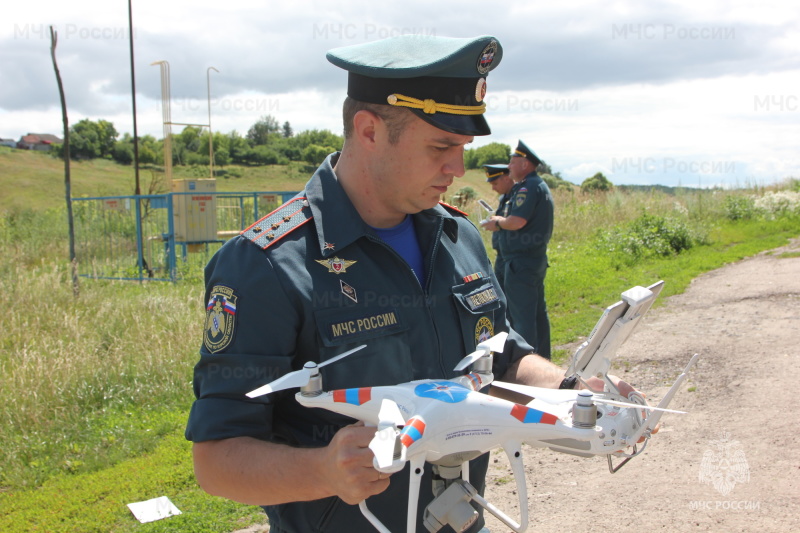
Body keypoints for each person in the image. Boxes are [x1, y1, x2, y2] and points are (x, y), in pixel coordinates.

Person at [186, 35, 641, 533]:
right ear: (369, 131)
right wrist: (324, 470)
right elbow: (217, 459)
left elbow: (502, 353)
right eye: (441, 146)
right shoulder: (269, 264)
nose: (457, 168)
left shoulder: (457, 234)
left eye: (462, 148)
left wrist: (573, 393)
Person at [481, 141, 553, 359]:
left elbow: (517, 221)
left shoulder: (528, 187)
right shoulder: (533, 185)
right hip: (527, 260)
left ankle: (525, 366)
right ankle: (542, 360)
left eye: (512, 163)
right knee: (535, 315)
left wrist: (498, 223)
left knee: (521, 318)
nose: (509, 167)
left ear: (524, 164)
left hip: (521, 262)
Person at [481, 163, 514, 288]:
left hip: (512, 257)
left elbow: (516, 223)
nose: (493, 188)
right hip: (502, 255)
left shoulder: (518, 197)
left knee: (513, 298)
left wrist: (498, 224)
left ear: (506, 179)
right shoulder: (504, 198)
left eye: (495, 184)